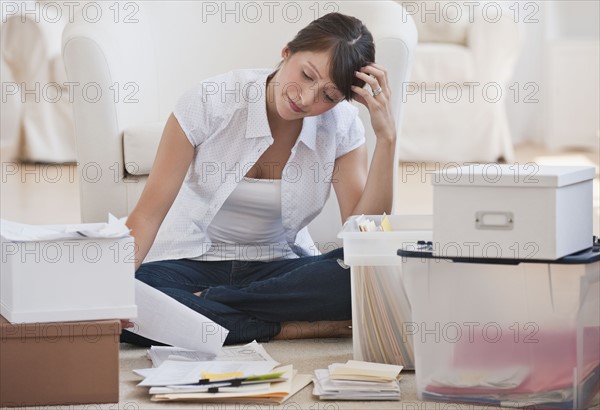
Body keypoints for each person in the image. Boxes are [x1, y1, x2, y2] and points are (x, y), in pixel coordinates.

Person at [121, 12, 396, 346]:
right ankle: (290, 327)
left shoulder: (341, 125)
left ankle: (206, 306)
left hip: (277, 269)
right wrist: (114, 290)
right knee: (135, 302)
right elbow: (147, 216)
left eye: (329, 96)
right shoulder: (209, 101)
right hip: (189, 262)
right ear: (287, 51)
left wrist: (386, 138)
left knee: (361, 276)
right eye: (307, 75)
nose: (307, 98)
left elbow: (363, 238)